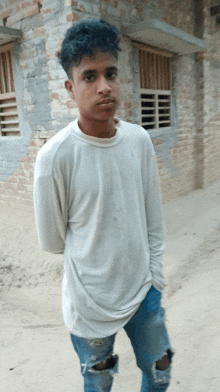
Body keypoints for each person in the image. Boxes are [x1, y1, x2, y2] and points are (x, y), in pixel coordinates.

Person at [33, 19, 174, 392]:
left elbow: (153, 219)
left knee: (159, 373)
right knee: (99, 384)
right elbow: (52, 240)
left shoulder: (138, 141)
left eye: (110, 73)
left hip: (143, 293)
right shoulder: (55, 158)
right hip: (90, 306)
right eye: (89, 76)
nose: (104, 87)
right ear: (70, 87)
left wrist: (155, 281)